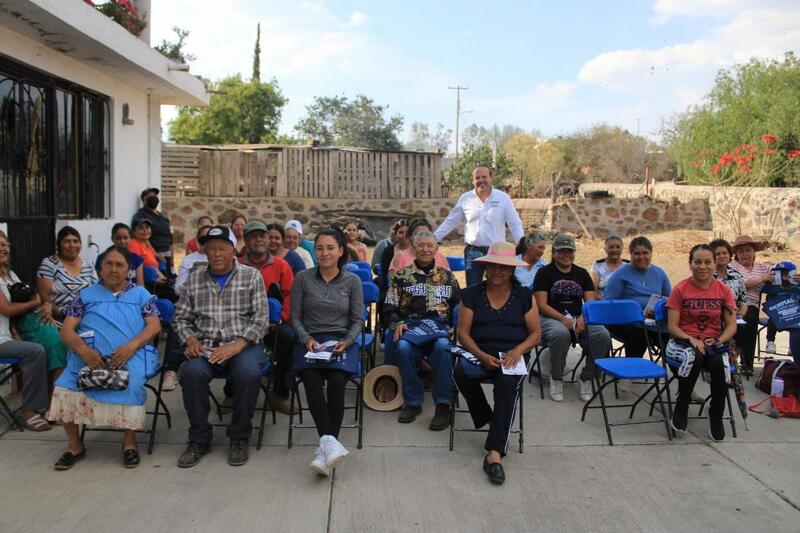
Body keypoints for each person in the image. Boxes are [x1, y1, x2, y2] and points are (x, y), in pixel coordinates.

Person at [47, 245, 162, 469]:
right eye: (108, 264)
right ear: (100, 269)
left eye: (119, 264)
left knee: (133, 381)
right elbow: (67, 330)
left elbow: (154, 326)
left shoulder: (140, 295)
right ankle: (74, 446)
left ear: (128, 269)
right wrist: (84, 351)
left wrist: (130, 347)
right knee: (64, 387)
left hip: (131, 354)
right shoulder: (85, 296)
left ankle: (129, 444)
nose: (113, 269)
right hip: (89, 355)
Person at [172, 225, 269, 468]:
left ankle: (239, 436)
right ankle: (199, 439)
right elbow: (180, 318)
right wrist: (190, 340)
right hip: (205, 345)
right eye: (211, 248)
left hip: (244, 344)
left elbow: (261, 319)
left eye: (222, 248)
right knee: (191, 373)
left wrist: (237, 345)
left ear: (233, 251)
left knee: (248, 373)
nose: (216, 253)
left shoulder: (251, 276)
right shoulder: (194, 279)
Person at [453, 241, 541, 485]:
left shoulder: (524, 295)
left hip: (513, 353)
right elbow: (463, 334)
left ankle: (494, 454)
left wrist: (517, 351)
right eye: (493, 267)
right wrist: (481, 355)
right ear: (485, 268)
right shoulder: (471, 294)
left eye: (503, 268)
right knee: (460, 372)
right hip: (479, 351)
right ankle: (492, 419)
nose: (497, 272)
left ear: (512, 270)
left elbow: (535, 334)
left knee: (506, 382)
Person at [290, 228, 363, 476]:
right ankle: (330, 445)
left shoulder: (352, 281)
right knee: (310, 380)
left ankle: (325, 448)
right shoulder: (302, 278)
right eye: (319, 248)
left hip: (342, 341)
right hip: (311, 342)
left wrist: (348, 341)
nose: (324, 253)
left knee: (336, 382)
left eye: (330, 247)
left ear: (341, 251)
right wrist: (306, 338)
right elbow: (296, 318)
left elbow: (357, 320)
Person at [384, 231, 460, 430]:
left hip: (440, 328)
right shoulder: (401, 276)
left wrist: (457, 326)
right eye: (421, 245)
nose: (425, 249)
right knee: (403, 347)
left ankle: (443, 405)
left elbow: (460, 307)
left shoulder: (448, 277)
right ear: (414, 248)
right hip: (412, 327)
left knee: (444, 347)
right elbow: (389, 307)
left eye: (429, 245)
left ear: (436, 249)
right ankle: (413, 402)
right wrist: (397, 322)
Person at [666, 244, 737, 442]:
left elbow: (731, 325)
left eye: (708, 262)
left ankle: (716, 413)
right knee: (693, 356)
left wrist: (718, 341)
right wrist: (691, 339)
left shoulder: (724, 290)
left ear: (715, 264)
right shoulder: (680, 289)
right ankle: (682, 405)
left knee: (719, 363)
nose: (702, 266)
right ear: (690, 264)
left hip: (712, 343)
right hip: (681, 343)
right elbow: (672, 327)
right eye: (697, 262)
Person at [533, 234, 610, 402]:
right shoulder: (544, 273)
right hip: (550, 317)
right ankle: (557, 378)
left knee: (602, 335)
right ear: (554, 253)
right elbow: (541, 305)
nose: (566, 255)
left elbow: (590, 302)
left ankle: (587, 377)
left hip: (579, 318)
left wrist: (583, 317)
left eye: (570, 251)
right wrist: (563, 319)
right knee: (561, 334)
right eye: (562, 251)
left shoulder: (581, 274)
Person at [239, 220, 297, 414]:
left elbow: (290, 294)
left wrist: (280, 318)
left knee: (288, 339)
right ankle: (232, 393)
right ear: (246, 240)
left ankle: (280, 393)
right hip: (242, 324)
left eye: (262, 235)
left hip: (274, 323)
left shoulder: (281, 265)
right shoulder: (236, 265)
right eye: (253, 236)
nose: (259, 239)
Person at [434, 164, 524, 287]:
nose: (481, 180)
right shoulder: (465, 199)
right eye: (477, 178)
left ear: (491, 178)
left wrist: (522, 241)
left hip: (496, 253)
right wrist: (434, 239)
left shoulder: (503, 198)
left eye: (484, 177)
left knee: (497, 286)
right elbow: (451, 221)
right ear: (473, 181)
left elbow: (514, 222)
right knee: (473, 288)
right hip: (473, 252)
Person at [0, 231, 52, 432]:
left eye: (5, 244)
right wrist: (36, 302)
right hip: (1, 341)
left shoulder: (11, 275)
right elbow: (6, 309)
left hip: (9, 336)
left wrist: (42, 304)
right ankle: (29, 411)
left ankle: (51, 402)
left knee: (55, 342)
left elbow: (29, 294)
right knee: (34, 351)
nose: (2, 248)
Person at [603, 237, 671, 377]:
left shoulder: (660, 273)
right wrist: (630, 313)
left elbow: (669, 301)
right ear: (631, 254)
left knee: (673, 336)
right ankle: (628, 373)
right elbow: (610, 303)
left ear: (651, 254)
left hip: (653, 321)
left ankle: (683, 379)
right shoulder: (620, 274)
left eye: (645, 253)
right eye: (637, 254)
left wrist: (658, 311)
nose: (641, 257)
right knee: (639, 334)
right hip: (625, 322)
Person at [36, 226, 98, 323]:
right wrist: (61, 316)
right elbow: (43, 295)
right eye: (67, 241)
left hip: (87, 316)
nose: (72, 245)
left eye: (75, 241)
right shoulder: (49, 264)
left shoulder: (89, 264)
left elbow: (96, 291)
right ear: (59, 244)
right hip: (59, 317)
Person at [730, 235, 771, 376]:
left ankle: (748, 363)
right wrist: (763, 279)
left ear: (754, 252)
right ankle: (741, 359)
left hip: (751, 304)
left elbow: (780, 272)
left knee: (751, 317)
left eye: (748, 250)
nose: (745, 254)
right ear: (736, 254)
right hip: (734, 303)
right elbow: (743, 283)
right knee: (746, 318)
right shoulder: (733, 266)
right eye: (741, 251)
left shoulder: (762, 267)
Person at [129, 218, 177, 302]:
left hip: (158, 276)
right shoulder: (133, 244)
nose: (145, 230)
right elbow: (138, 266)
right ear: (134, 232)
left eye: (147, 227)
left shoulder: (146, 242)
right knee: (173, 295)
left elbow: (154, 257)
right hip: (149, 281)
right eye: (141, 228)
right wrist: (155, 275)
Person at [761, 261, 800, 363]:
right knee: (771, 320)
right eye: (779, 274)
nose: (783, 277)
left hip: (795, 316)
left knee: (796, 328)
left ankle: (793, 347)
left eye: (786, 274)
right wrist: (769, 280)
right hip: (778, 316)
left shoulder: (798, 287)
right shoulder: (773, 287)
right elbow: (763, 292)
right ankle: (770, 341)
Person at [132, 187, 174, 270]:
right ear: (144, 200)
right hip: (153, 255)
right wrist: (155, 254)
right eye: (150, 196)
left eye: (155, 196)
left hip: (167, 254)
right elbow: (142, 236)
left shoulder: (162, 217)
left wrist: (172, 257)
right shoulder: (141, 215)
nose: (154, 198)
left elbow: (170, 238)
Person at [175, 225, 212, 292]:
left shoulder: (223, 258)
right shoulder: (188, 260)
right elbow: (178, 287)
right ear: (198, 240)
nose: (206, 241)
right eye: (203, 238)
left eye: (210, 237)